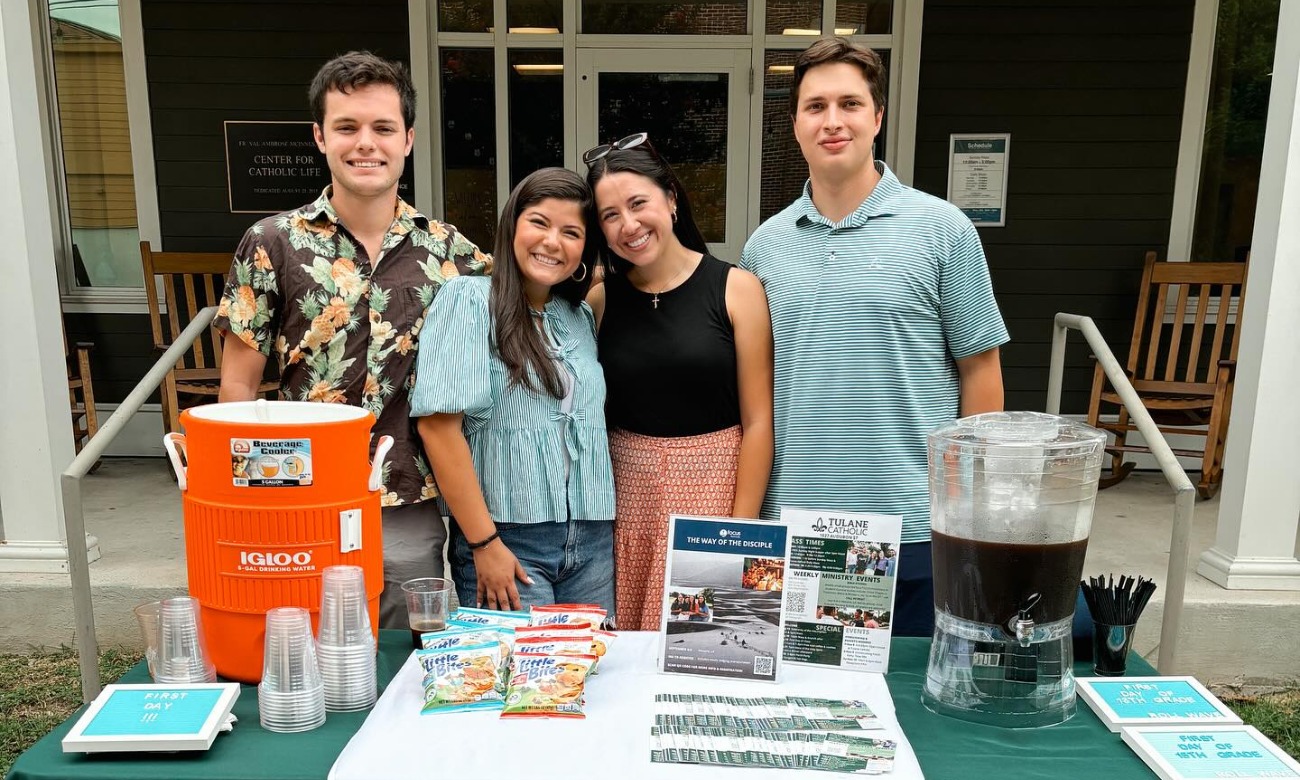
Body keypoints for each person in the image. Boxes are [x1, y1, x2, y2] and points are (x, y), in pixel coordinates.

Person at [740, 37, 1009, 637]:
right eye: (815, 106)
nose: (832, 121)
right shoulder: (764, 248)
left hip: (910, 525)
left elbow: (981, 373)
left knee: (909, 703)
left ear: (877, 116)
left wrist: (963, 510)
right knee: (817, 708)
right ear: (794, 123)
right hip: (797, 527)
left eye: (850, 104)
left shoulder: (943, 229)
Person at [215, 51, 490, 628]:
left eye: (383, 128)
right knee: (299, 642)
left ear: (408, 139)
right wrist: (243, 500)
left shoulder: (449, 253)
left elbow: (530, 293)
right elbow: (238, 383)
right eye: (347, 127)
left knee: (401, 658)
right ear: (320, 137)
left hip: (405, 500)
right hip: (297, 492)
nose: (366, 143)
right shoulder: (272, 243)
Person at [583, 133, 774, 631]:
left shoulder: (735, 288)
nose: (628, 225)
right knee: (625, 650)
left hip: (715, 487)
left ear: (670, 198)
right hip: (625, 499)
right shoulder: (600, 302)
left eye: (637, 203)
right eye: (609, 215)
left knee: (715, 645)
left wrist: (742, 531)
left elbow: (758, 422)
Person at [410, 168, 615, 617]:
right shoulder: (467, 300)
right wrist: (484, 543)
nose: (552, 242)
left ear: (585, 248)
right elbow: (438, 428)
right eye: (539, 222)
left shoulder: (579, 316)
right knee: (523, 679)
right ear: (512, 227)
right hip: (508, 539)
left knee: (592, 676)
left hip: (593, 536)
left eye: (571, 232)